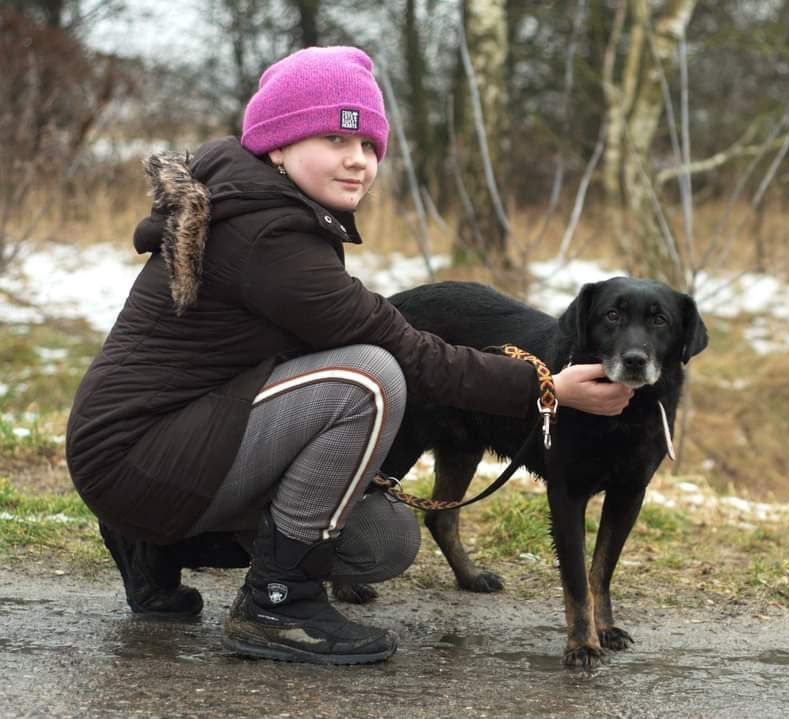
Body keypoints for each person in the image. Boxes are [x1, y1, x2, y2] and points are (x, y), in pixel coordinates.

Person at [65, 46, 633, 666]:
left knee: (380, 542)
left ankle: (154, 547)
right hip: (137, 454)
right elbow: (404, 350)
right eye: (336, 138)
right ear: (278, 145)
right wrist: (545, 388)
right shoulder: (267, 235)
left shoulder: (271, 210)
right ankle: (275, 606)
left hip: (170, 448)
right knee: (369, 376)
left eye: (369, 147)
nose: (357, 161)